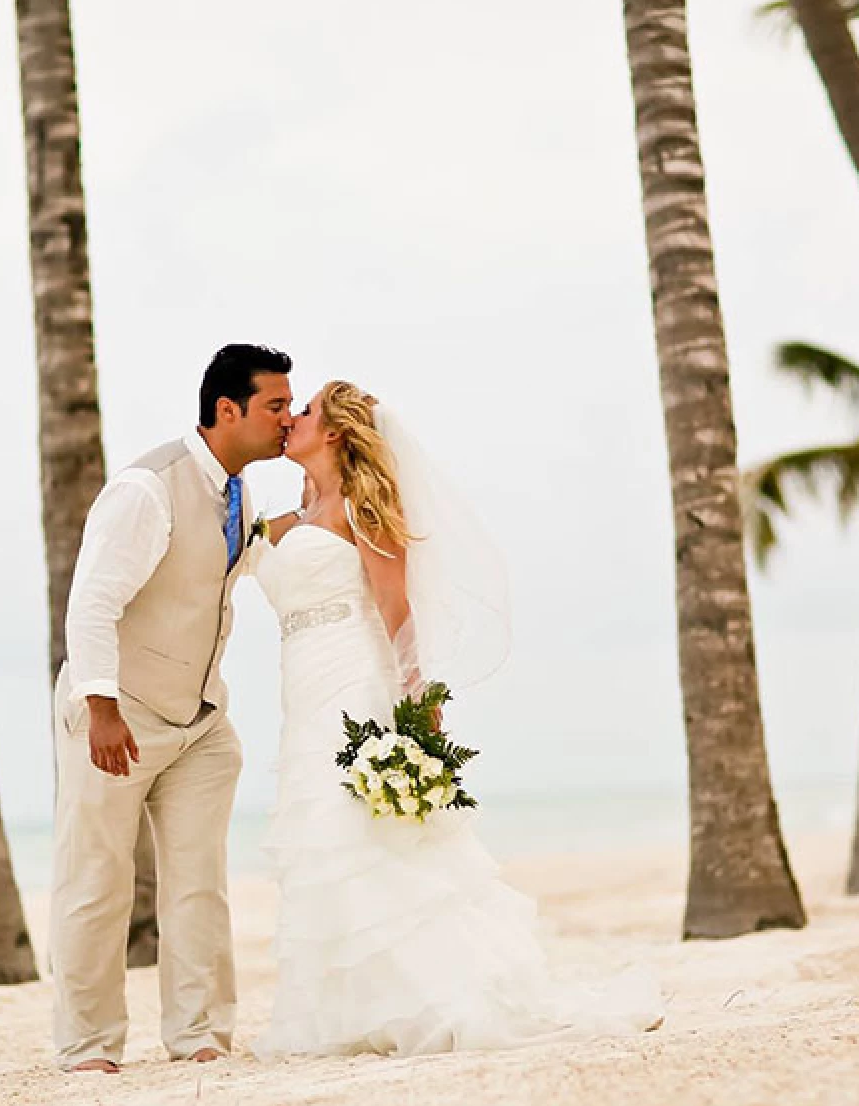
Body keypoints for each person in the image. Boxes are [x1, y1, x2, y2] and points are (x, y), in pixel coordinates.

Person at [252, 380, 664, 1058]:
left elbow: (397, 609)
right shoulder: (297, 510)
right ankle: (354, 1006)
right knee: (321, 833)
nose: (291, 420)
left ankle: (433, 995)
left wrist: (418, 707)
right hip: (302, 686)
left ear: (333, 432)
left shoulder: (362, 508)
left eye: (305, 411)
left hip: (354, 682)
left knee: (363, 830)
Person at [47, 343, 294, 1072]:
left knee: (198, 887)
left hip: (202, 726)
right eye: (276, 406)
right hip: (117, 721)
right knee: (96, 883)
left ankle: (199, 1037)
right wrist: (101, 710)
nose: (287, 418)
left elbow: (239, 560)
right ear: (229, 410)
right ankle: (88, 1046)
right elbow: (90, 605)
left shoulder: (241, 492)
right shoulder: (145, 490)